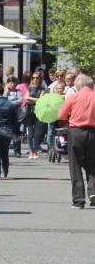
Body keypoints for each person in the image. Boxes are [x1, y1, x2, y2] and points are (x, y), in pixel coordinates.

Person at [56, 75, 95, 209]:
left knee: (75, 166)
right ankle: (93, 192)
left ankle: (78, 200)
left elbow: (61, 115)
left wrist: (71, 115)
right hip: (93, 132)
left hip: (76, 131)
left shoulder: (74, 97)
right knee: (92, 163)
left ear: (80, 85)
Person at [25, 71, 47, 158]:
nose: (35, 79)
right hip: (29, 112)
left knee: (37, 133)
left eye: (37, 78)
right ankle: (31, 151)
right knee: (30, 134)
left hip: (39, 112)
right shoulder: (29, 88)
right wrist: (35, 99)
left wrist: (31, 99)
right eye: (33, 78)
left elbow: (41, 100)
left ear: (40, 79)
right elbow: (26, 98)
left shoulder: (43, 90)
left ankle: (35, 150)